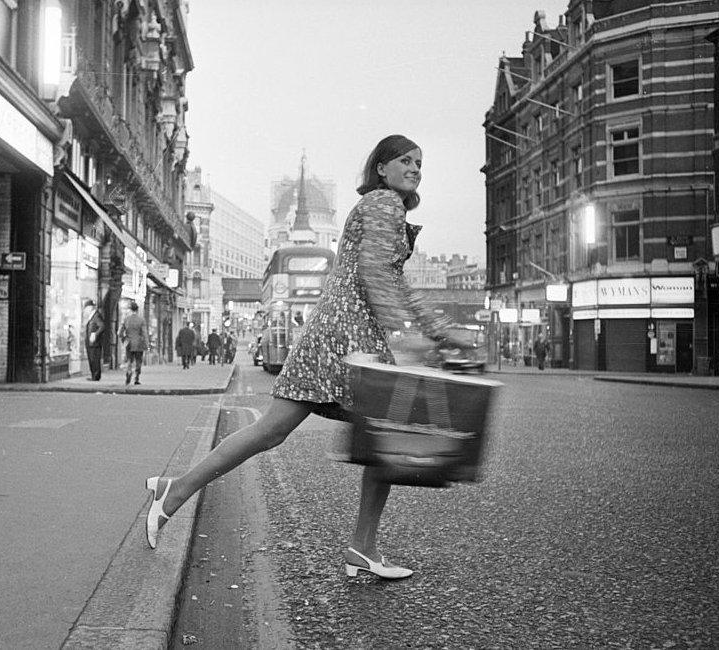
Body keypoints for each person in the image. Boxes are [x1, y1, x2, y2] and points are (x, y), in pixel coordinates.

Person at [144, 135, 451, 580]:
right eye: (405, 160)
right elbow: (377, 274)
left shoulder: (380, 205)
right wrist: (418, 337)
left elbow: (388, 277)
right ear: (381, 168)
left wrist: (431, 328)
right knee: (379, 437)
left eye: (420, 162)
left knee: (278, 431)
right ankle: (361, 545)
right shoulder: (385, 204)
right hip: (350, 339)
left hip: (336, 333)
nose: (415, 168)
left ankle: (176, 490)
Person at [118, 301, 149, 385]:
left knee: (129, 360)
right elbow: (144, 333)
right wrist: (147, 346)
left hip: (129, 343)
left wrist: (124, 339)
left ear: (130, 310)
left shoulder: (126, 319)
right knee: (138, 361)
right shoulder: (141, 320)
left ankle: (128, 373)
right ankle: (136, 378)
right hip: (139, 343)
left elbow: (120, 333)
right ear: (137, 310)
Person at [83, 299, 105, 381]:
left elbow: (102, 326)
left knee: (94, 359)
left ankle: (95, 376)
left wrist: (95, 334)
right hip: (91, 343)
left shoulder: (96, 316)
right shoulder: (92, 316)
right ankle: (94, 375)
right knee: (92, 359)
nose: (85, 310)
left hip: (95, 343)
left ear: (90, 307)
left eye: (86, 308)